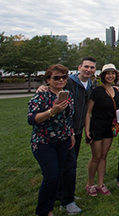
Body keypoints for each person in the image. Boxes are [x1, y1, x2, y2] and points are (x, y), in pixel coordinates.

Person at [28, 64, 74, 216]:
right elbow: (32, 119)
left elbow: (69, 118)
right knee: (51, 176)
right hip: (44, 142)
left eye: (64, 77)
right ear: (48, 80)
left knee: (57, 175)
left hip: (63, 140)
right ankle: (42, 210)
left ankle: (49, 208)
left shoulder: (67, 95)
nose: (60, 80)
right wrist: (51, 112)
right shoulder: (41, 96)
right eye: (56, 78)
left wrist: (71, 134)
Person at [84, 64, 119, 196]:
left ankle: (100, 184)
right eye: (108, 73)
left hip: (109, 127)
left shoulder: (116, 91)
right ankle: (90, 184)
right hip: (97, 126)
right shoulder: (97, 91)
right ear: (103, 76)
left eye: (113, 73)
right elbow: (88, 111)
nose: (111, 76)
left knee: (104, 156)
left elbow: (118, 109)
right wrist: (87, 131)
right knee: (96, 156)